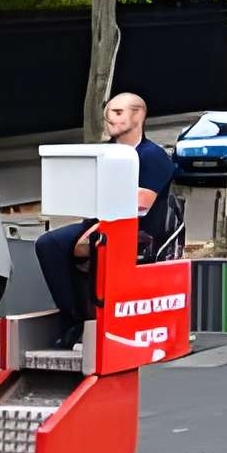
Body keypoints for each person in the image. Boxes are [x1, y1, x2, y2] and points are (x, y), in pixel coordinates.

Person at [37, 92, 177, 349]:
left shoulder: (151, 156)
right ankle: (75, 321)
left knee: (92, 244)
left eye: (118, 112)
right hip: (98, 220)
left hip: (135, 229)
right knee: (49, 243)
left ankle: (95, 325)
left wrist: (94, 224)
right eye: (108, 113)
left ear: (138, 116)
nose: (109, 119)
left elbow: (140, 205)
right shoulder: (107, 153)